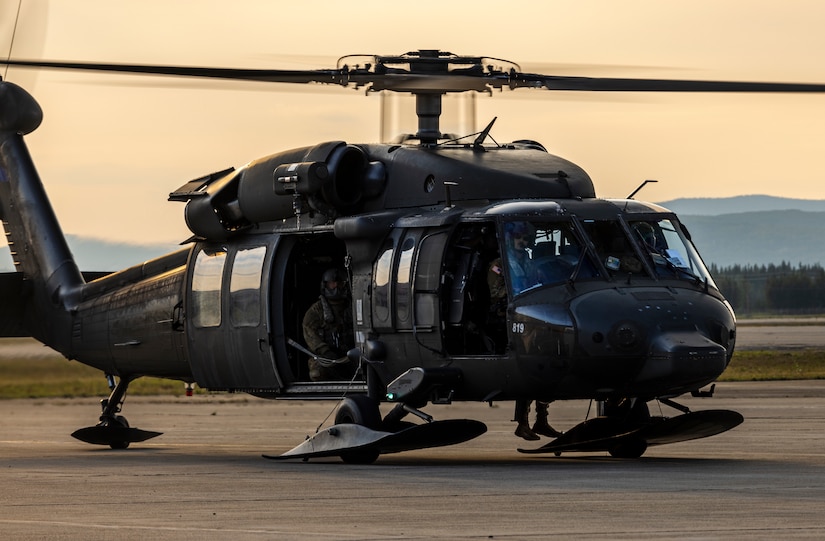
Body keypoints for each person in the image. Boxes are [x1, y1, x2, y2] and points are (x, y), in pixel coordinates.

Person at [302, 268, 355, 381]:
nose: (336, 286)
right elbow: (309, 333)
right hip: (326, 357)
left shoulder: (353, 307)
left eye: (339, 283)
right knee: (318, 373)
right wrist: (325, 350)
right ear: (325, 285)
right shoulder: (316, 310)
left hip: (349, 355)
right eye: (332, 283)